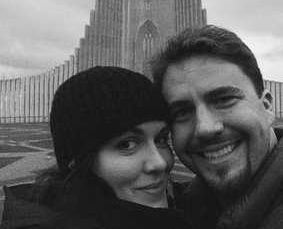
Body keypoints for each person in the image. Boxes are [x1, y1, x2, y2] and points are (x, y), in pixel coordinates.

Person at [1, 66, 195, 229]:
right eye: (127, 144)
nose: (160, 163)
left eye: (161, 139)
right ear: (76, 161)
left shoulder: (188, 205)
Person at [152, 24, 283, 228]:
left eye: (223, 100)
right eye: (182, 111)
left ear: (266, 106)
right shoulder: (183, 211)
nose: (205, 128)